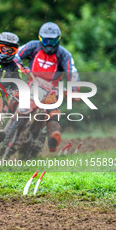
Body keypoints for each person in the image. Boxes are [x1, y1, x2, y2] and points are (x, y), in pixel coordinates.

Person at [14, 22, 80, 152]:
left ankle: (53, 139)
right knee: (13, 98)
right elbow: (16, 54)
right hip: (32, 84)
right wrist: (20, 65)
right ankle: (2, 128)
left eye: (53, 40)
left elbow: (72, 71)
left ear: (58, 39)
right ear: (40, 39)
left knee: (53, 112)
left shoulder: (64, 54)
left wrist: (75, 89)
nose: (49, 44)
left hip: (52, 89)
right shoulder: (33, 46)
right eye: (45, 40)